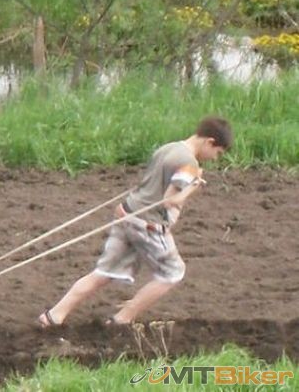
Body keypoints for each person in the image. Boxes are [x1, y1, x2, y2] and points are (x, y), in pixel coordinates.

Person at [38, 116, 233, 328]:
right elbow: (170, 201)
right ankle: (122, 319)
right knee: (172, 273)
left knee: (103, 272)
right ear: (209, 142)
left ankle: (54, 316)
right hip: (148, 225)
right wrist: (194, 186)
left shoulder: (168, 148)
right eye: (217, 153)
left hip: (126, 213)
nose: (215, 158)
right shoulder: (189, 163)